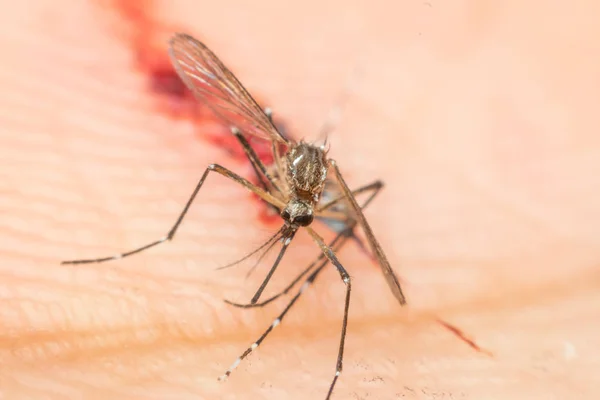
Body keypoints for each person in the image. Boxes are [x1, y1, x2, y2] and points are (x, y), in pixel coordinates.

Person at [2, 1, 599, 399]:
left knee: (341, 270)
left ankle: (335, 370)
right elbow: (227, 130)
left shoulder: (319, 206)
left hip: (322, 192)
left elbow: (336, 233)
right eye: (293, 216)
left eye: (297, 218)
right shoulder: (279, 166)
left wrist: (333, 227)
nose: (290, 225)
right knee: (222, 153)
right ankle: (160, 243)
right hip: (291, 165)